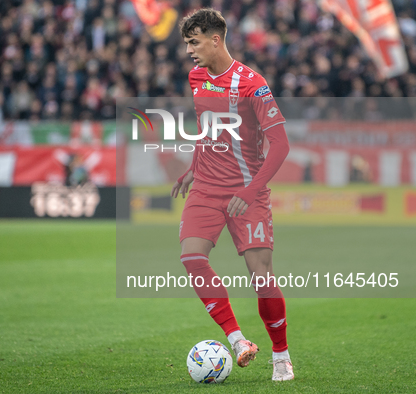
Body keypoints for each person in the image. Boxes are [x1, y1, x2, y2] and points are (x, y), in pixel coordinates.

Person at [171, 9, 293, 381]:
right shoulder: (195, 77)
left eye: (194, 42)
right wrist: (194, 167)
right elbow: (207, 130)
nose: (189, 51)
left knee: (261, 276)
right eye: (187, 43)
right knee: (192, 257)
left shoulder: (251, 83)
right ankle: (238, 340)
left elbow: (281, 145)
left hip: (246, 193)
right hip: (206, 189)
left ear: (215, 39)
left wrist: (251, 190)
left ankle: (281, 356)